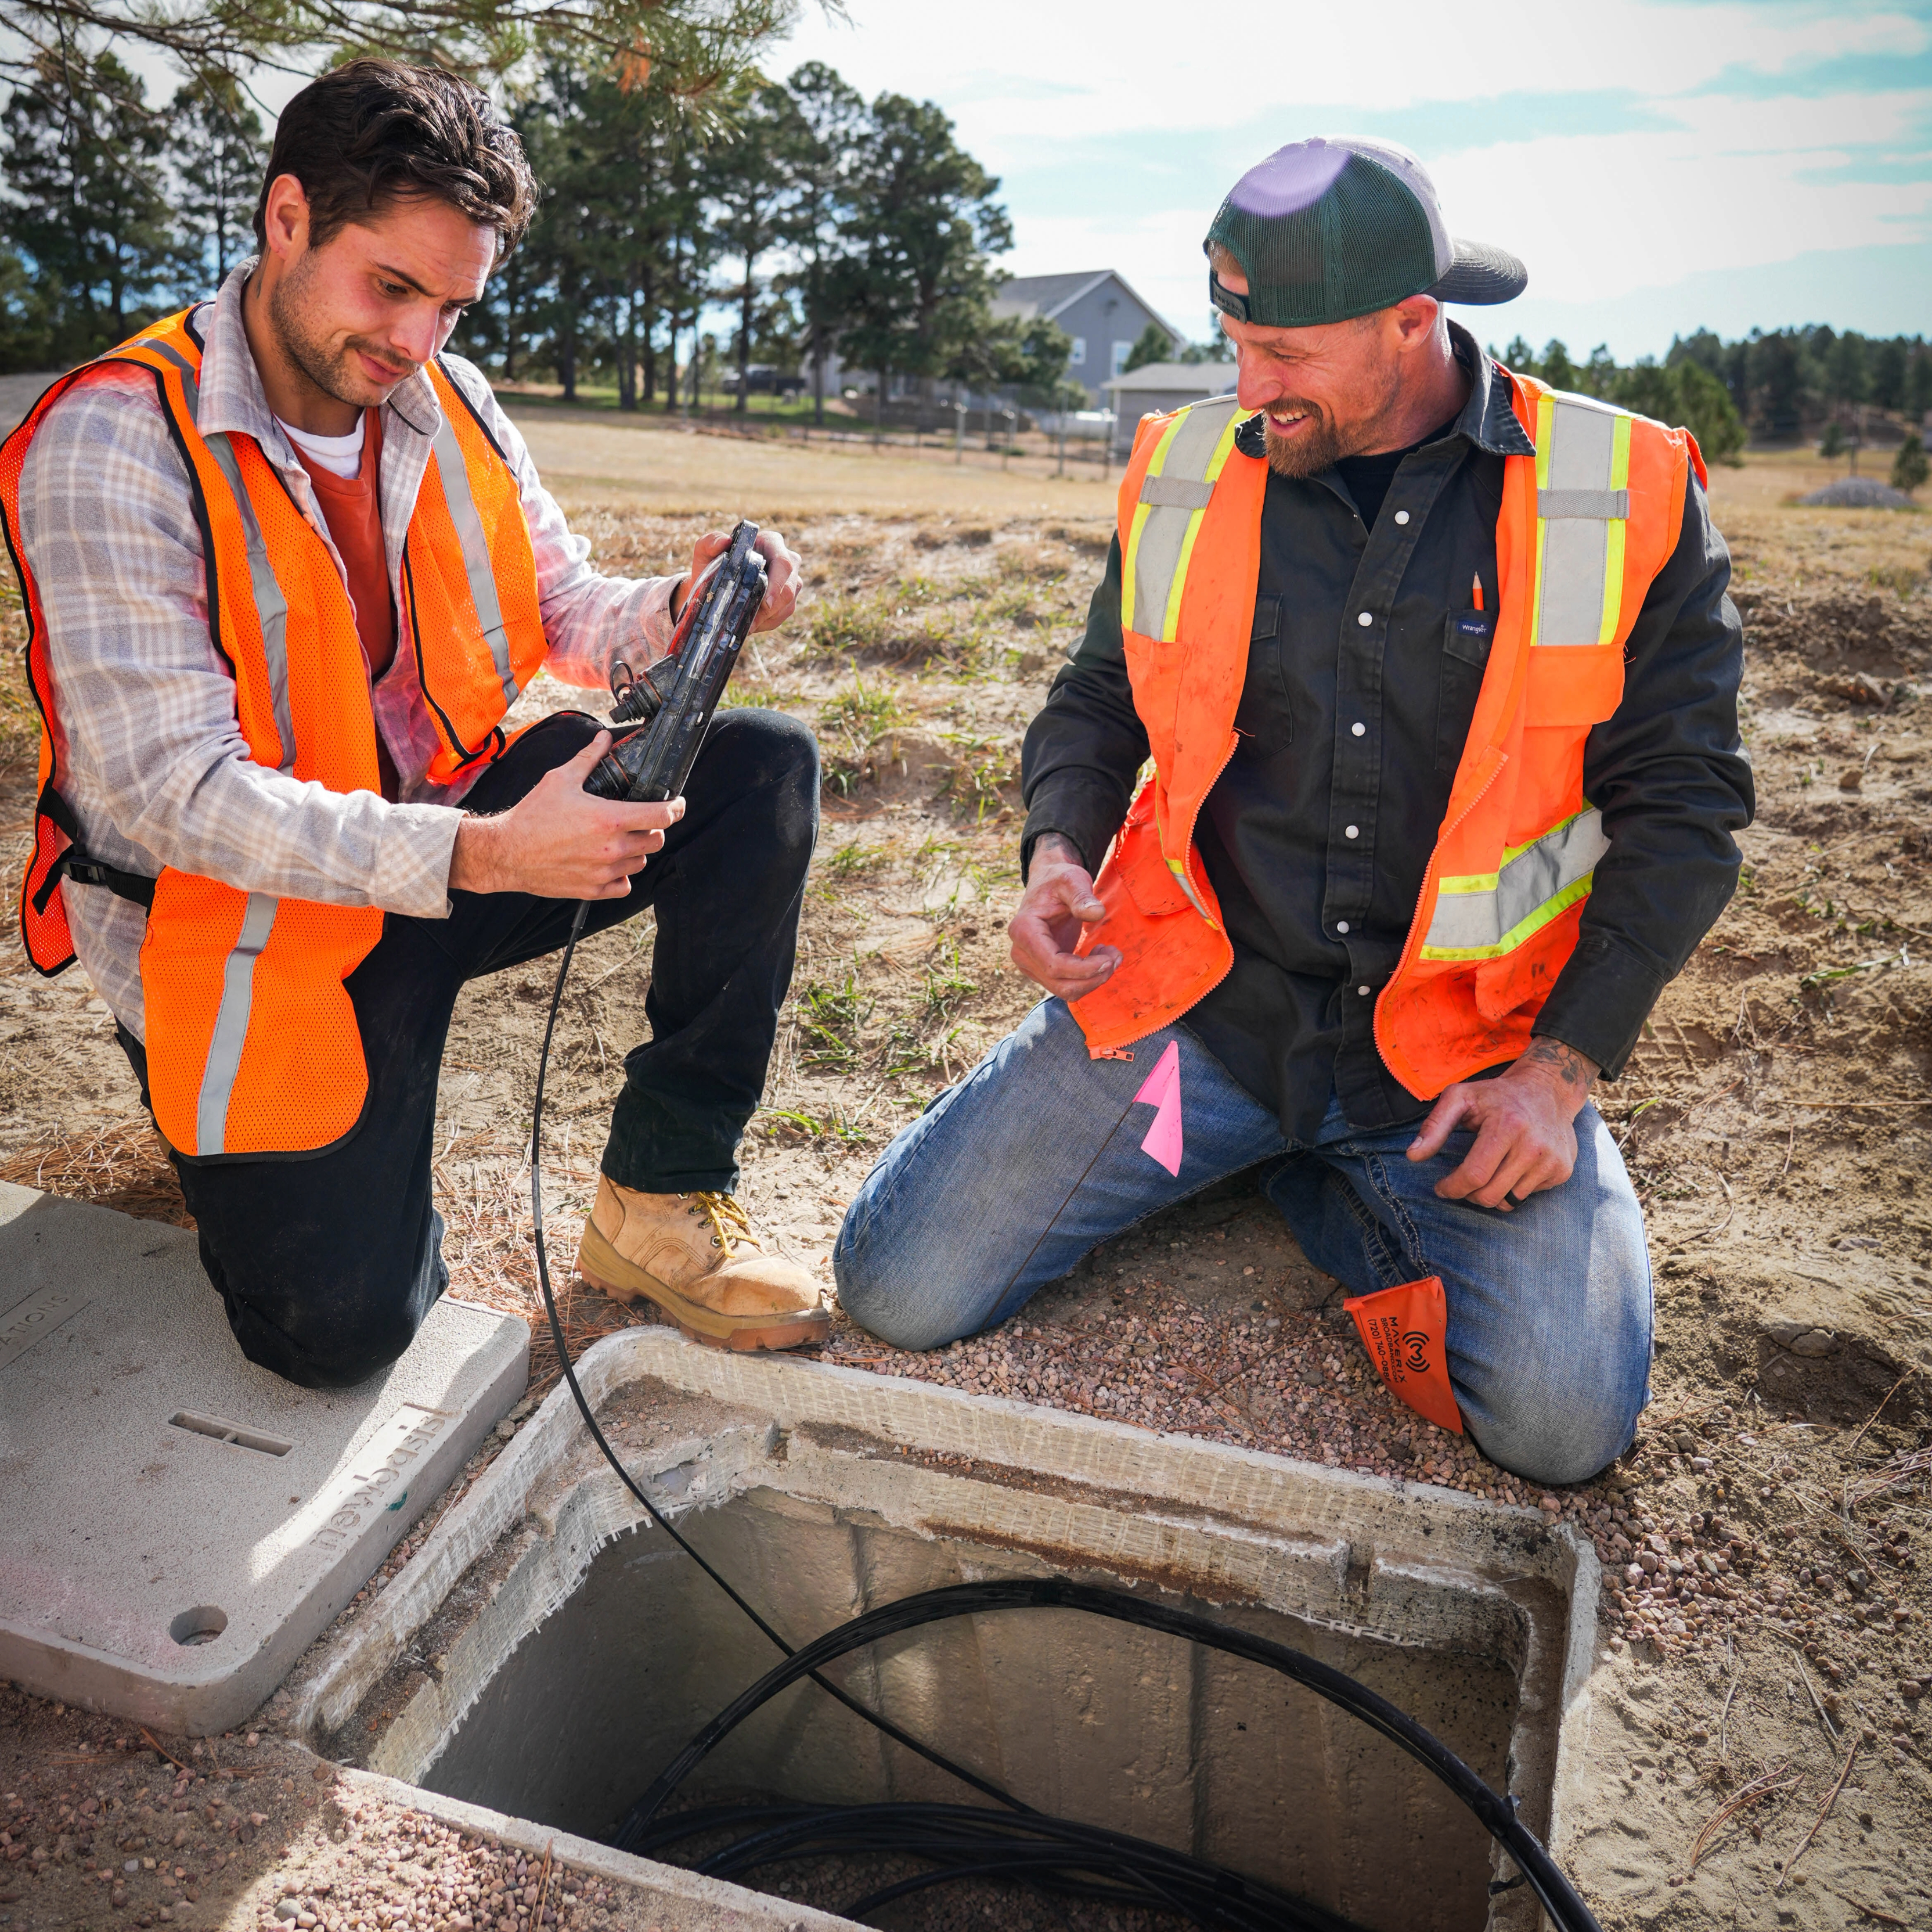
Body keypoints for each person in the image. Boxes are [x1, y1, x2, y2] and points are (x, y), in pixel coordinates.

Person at [835, 137, 1753, 1486]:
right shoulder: (1192, 469)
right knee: (899, 1290)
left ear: (1411, 324)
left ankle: (1318, 1171)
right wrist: (1055, 852)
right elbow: (1100, 696)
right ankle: (1255, 1147)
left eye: (1290, 354)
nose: (1250, 385)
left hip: (1462, 1055)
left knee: (1562, 1429)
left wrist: (1557, 1079)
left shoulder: (1623, 493)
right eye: (1235, 338)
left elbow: (1686, 808)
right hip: (1201, 1019)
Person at [4, 59, 829, 1388]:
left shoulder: (444, 392)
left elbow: (562, 603)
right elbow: (171, 796)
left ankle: (659, 1200)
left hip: (451, 840)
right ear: (287, 219)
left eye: (454, 303)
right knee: (338, 1338)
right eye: (393, 286)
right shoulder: (112, 441)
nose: (419, 340)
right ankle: (267, 1147)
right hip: (244, 923)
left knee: (757, 772)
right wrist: (492, 858)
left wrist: (685, 607)